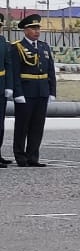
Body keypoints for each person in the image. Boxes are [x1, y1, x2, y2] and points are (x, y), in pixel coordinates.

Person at [9, 14, 57, 167]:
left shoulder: (44, 47)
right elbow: (15, 72)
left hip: (42, 91)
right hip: (26, 92)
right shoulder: (17, 47)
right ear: (25, 30)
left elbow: (51, 71)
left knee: (37, 126)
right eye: (33, 28)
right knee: (22, 126)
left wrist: (52, 91)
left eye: (38, 28)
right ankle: (20, 156)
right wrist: (18, 93)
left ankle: (32, 157)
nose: (37, 31)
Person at [0, 20, 9, 167]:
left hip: (1, 86)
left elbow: (8, 65)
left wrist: (9, 86)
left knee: (0, 124)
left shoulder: (4, 43)